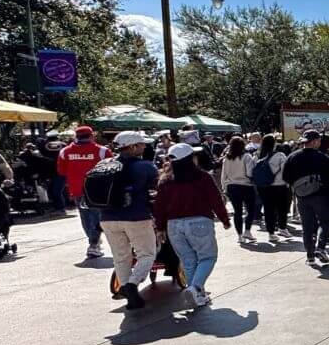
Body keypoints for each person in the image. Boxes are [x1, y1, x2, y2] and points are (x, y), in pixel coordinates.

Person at [153, 142, 231, 308]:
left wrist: (160, 228)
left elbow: (159, 207)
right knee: (208, 257)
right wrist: (224, 219)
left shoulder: (165, 180)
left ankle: (198, 295)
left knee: (188, 261)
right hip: (199, 222)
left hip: (173, 225)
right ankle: (194, 288)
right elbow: (216, 200)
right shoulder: (202, 177)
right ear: (190, 159)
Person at [97, 131, 160, 310]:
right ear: (132, 147)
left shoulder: (103, 164)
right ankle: (130, 285)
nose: (144, 147)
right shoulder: (145, 166)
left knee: (121, 257)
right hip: (136, 216)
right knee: (147, 254)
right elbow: (156, 187)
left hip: (107, 217)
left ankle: (131, 297)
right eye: (141, 144)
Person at [283, 129, 329, 266]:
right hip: (320, 195)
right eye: (318, 140)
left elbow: (285, 177)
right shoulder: (322, 157)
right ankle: (321, 247)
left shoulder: (293, 157)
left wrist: (298, 186)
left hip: (301, 196)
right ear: (314, 142)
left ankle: (310, 256)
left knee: (306, 226)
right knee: (325, 222)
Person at [57, 125, 110, 258]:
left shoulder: (65, 152)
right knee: (97, 216)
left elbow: (61, 171)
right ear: (92, 136)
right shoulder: (102, 151)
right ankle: (94, 243)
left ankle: (93, 241)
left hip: (77, 190)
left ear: (76, 136)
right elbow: (112, 169)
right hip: (98, 191)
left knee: (85, 217)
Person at [219, 135, 258, 244]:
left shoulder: (227, 157)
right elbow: (250, 173)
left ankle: (240, 235)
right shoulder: (247, 156)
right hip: (246, 185)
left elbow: (224, 174)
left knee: (237, 211)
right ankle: (247, 231)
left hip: (231, 186)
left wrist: (224, 187)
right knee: (250, 210)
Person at [253, 134, 290, 240]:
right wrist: (288, 184)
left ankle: (271, 233)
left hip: (263, 186)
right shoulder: (280, 155)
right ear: (274, 143)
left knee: (268, 209)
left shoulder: (256, 155)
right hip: (279, 186)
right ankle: (282, 228)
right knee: (282, 208)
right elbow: (285, 170)